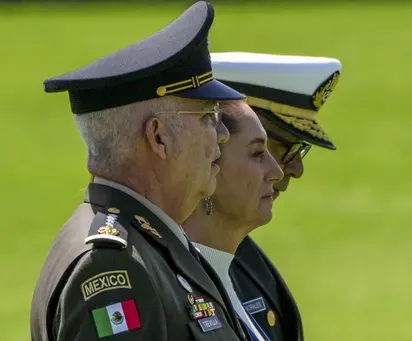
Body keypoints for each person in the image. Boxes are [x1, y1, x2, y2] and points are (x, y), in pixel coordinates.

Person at [30, 3, 249, 341]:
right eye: (207, 115)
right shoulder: (112, 267)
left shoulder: (148, 242)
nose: (221, 133)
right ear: (158, 136)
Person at [210, 52, 343, 341]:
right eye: (284, 146)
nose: (294, 169)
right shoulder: (144, 268)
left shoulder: (246, 264)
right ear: (210, 140)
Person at [182, 99, 284, 341]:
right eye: (257, 153)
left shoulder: (222, 275)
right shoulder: (175, 288)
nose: (277, 172)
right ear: (208, 167)